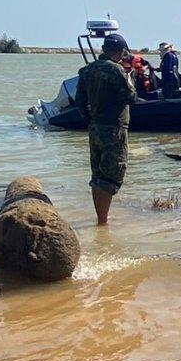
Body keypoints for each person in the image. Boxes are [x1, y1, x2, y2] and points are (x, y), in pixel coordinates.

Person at [75, 33, 139, 225]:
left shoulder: (87, 70)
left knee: (97, 175)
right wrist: (130, 77)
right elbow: (131, 97)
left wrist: (91, 121)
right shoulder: (116, 71)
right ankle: (102, 222)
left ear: (103, 49)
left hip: (95, 129)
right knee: (110, 176)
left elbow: (80, 101)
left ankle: (100, 218)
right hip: (114, 129)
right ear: (120, 51)